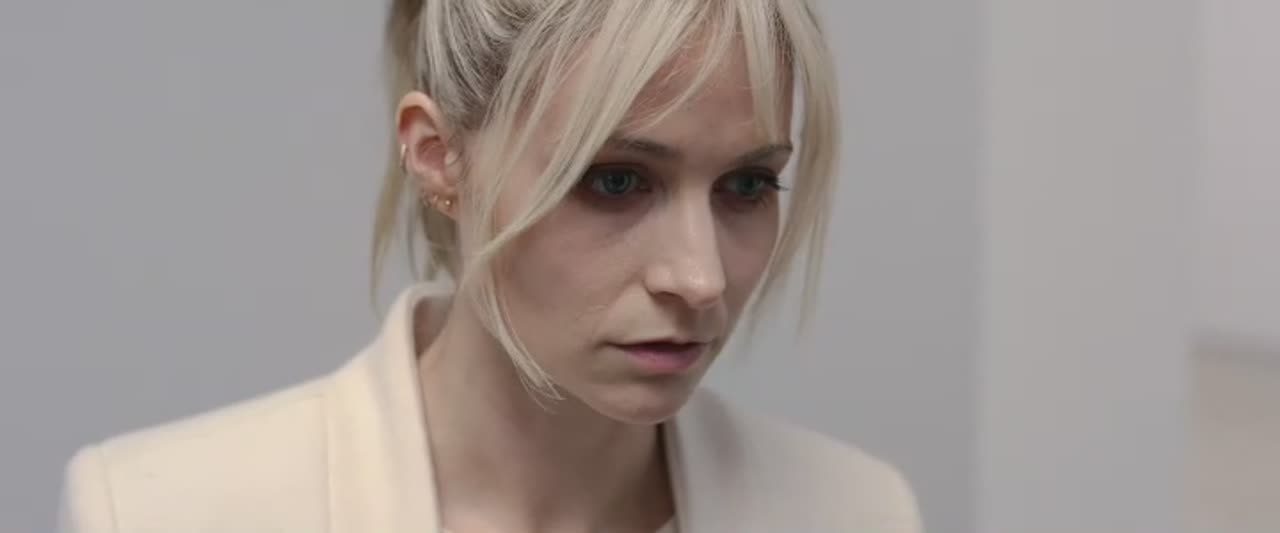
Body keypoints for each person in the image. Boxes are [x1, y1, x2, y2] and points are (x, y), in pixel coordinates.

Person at [56, 1, 922, 532]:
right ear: (439, 157)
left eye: (747, 185)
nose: (700, 278)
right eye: (616, 180)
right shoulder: (158, 512)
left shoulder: (855, 514)